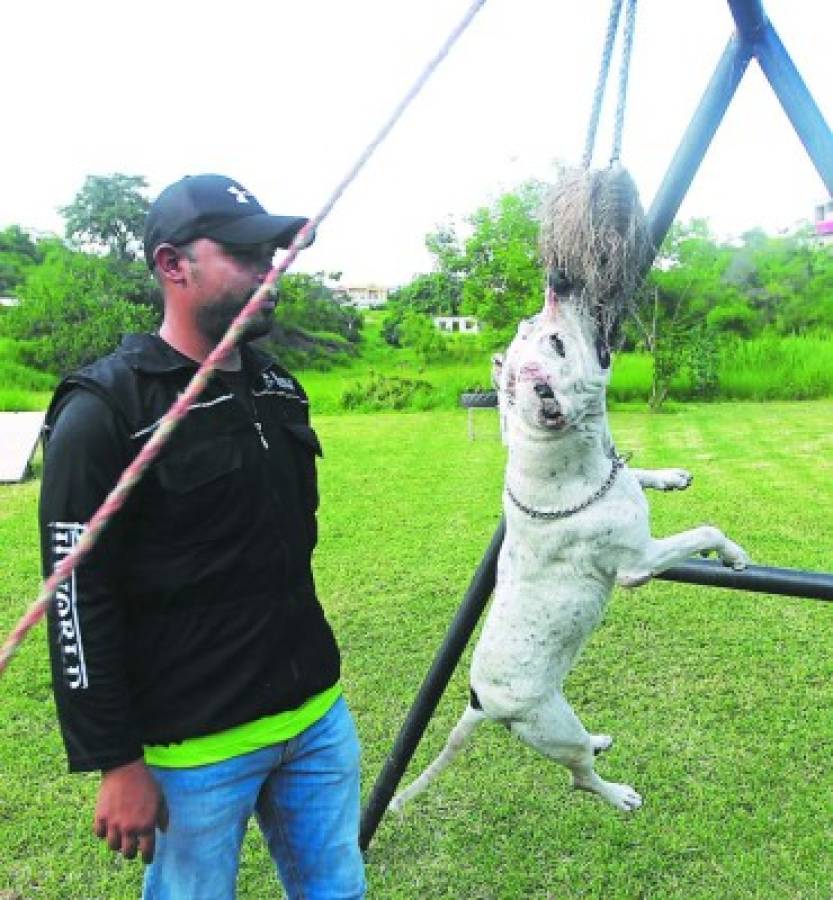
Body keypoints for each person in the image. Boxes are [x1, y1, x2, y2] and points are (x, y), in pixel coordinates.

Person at [39, 174, 366, 899]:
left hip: (315, 719)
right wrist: (116, 762)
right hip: (195, 751)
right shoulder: (106, 413)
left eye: (275, 250)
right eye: (248, 253)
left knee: (337, 888)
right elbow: (73, 601)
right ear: (171, 265)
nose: (270, 268)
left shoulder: (277, 388)